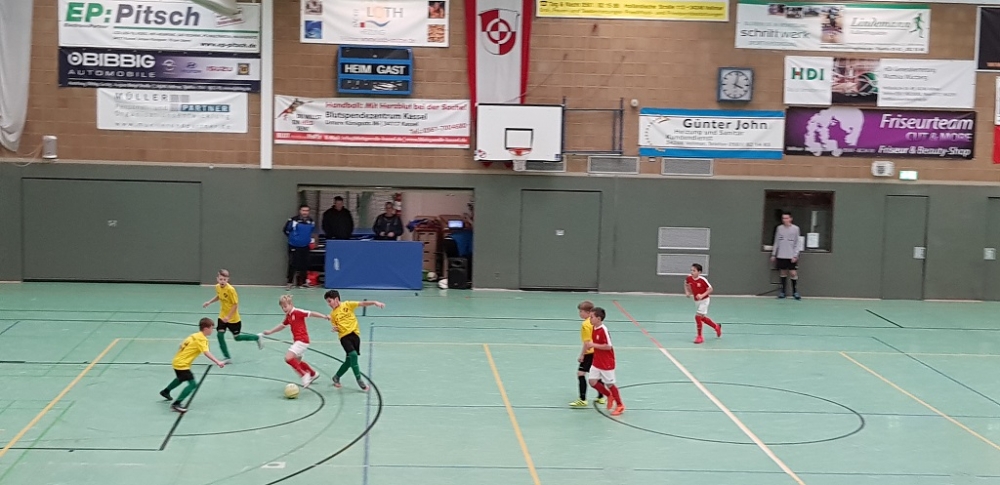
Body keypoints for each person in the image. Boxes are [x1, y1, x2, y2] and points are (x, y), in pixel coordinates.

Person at [160, 318, 226, 414]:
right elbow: (206, 352)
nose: (212, 330)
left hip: (177, 361)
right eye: (211, 328)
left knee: (181, 378)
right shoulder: (202, 339)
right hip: (182, 364)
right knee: (192, 384)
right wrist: (218, 362)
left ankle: (165, 391)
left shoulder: (194, 335)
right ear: (206, 329)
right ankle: (176, 404)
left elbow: (181, 345)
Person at [261, 295, 328, 388]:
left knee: (288, 358)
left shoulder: (297, 312)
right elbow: (282, 325)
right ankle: (313, 374)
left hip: (302, 340)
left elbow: (311, 313)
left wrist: (324, 316)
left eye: (285, 306)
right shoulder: (288, 316)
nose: (284, 309)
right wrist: (270, 331)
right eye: (282, 307)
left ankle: (304, 375)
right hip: (299, 341)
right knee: (297, 361)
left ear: (291, 304)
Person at [325, 290, 385, 391]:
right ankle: (359, 380)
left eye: (329, 301)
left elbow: (362, 303)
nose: (329, 304)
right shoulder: (333, 314)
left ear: (336, 299)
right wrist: (335, 329)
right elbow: (336, 326)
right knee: (353, 355)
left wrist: (374, 302)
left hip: (355, 335)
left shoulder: (347, 304)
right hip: (344, 337)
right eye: (327, 302)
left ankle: (336, 377)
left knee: (349, 361)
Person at [202, 269, 263, 362]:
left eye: (224, 279)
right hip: (222, 316)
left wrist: (229, 317)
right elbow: (219, 296)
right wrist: (209, 302)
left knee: (237, 338)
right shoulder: (217, 287)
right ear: (217, 279)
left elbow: (235, 304)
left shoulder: (231, 290)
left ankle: (257, 337)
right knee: (220, 335)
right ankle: (227, 357)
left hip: (233, 319)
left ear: (227, 280)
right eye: (221, 279)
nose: (222, 281)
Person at [586, 308, 624, 416]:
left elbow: (608, 346)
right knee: (592, 381)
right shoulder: (594, 328)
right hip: (597, 361)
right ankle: (609, 395)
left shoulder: (603, 330)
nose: (590, 319)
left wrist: (593, 345)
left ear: (598, 319)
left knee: (610, 384)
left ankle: (620, 405)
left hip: (606, 363)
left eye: (592, 317)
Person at [570, 300, 605, 408]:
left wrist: (582, 355)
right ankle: (601, 396)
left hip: (589, 353)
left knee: (581, 374)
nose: (580, 313)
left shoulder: (585, 324)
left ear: (588, 312)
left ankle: (582, 399)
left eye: (581, 311)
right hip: (598, 352)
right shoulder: (596, 323)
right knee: (597, 375)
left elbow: (587, 342)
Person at [685, 263, 721, 344]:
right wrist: (687, 292)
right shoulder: (689, 278)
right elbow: (686, 284)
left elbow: (710, 289)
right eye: (691, 270)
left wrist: (702, 295)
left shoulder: (702, 280)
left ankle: (699, 336)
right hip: (697, 301)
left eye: (694, 270)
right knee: (702, 318)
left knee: (697, 317)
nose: (692, 272)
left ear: (699, 272)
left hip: (705, 300)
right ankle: (716, 327)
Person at [770, 212, 802, 300]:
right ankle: (783, 292)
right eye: (783, 218)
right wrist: (774, 254)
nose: (785, 220)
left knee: (793, 273)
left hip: (791, 255)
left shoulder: (795, 229)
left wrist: (795, 255)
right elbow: (776, 242)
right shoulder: (779, 228)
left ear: (791, 219)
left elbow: (797, 243)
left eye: (786, 218)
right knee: (783, 272)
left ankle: (795, 291)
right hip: (781, 254)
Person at [283, 204, 315, 289]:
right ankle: (289, 282)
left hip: (305, 246)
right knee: (293, 263)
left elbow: (312, 232)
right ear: (300, 211)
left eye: (307, 211)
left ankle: (303, 282)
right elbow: (286, 230)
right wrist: (294, 239)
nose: (305, 212)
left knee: (305, 264)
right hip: (294, 246)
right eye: (303, 210)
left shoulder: (311, 221)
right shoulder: (293, 220)